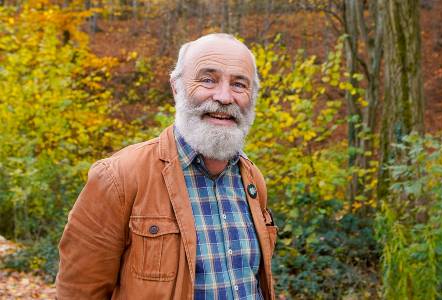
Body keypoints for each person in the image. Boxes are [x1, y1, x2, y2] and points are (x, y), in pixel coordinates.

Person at [56, 33, 277, 300]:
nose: (224, 97)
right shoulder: (118, 177)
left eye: (239, 85)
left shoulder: (252, 179)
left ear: (252, 96)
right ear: (176, 87)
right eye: (208, 80)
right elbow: (78, 292)